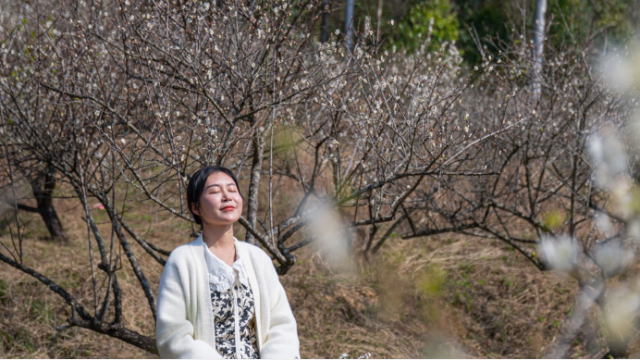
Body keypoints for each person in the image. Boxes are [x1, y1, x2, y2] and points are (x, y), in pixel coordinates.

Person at [156, 166, 300, 359]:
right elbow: (173, 336)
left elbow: (281, 326)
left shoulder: (258, 260)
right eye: (215, 191)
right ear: (195, 207)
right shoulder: (182, 261)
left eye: (232, 190)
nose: (227, 196)